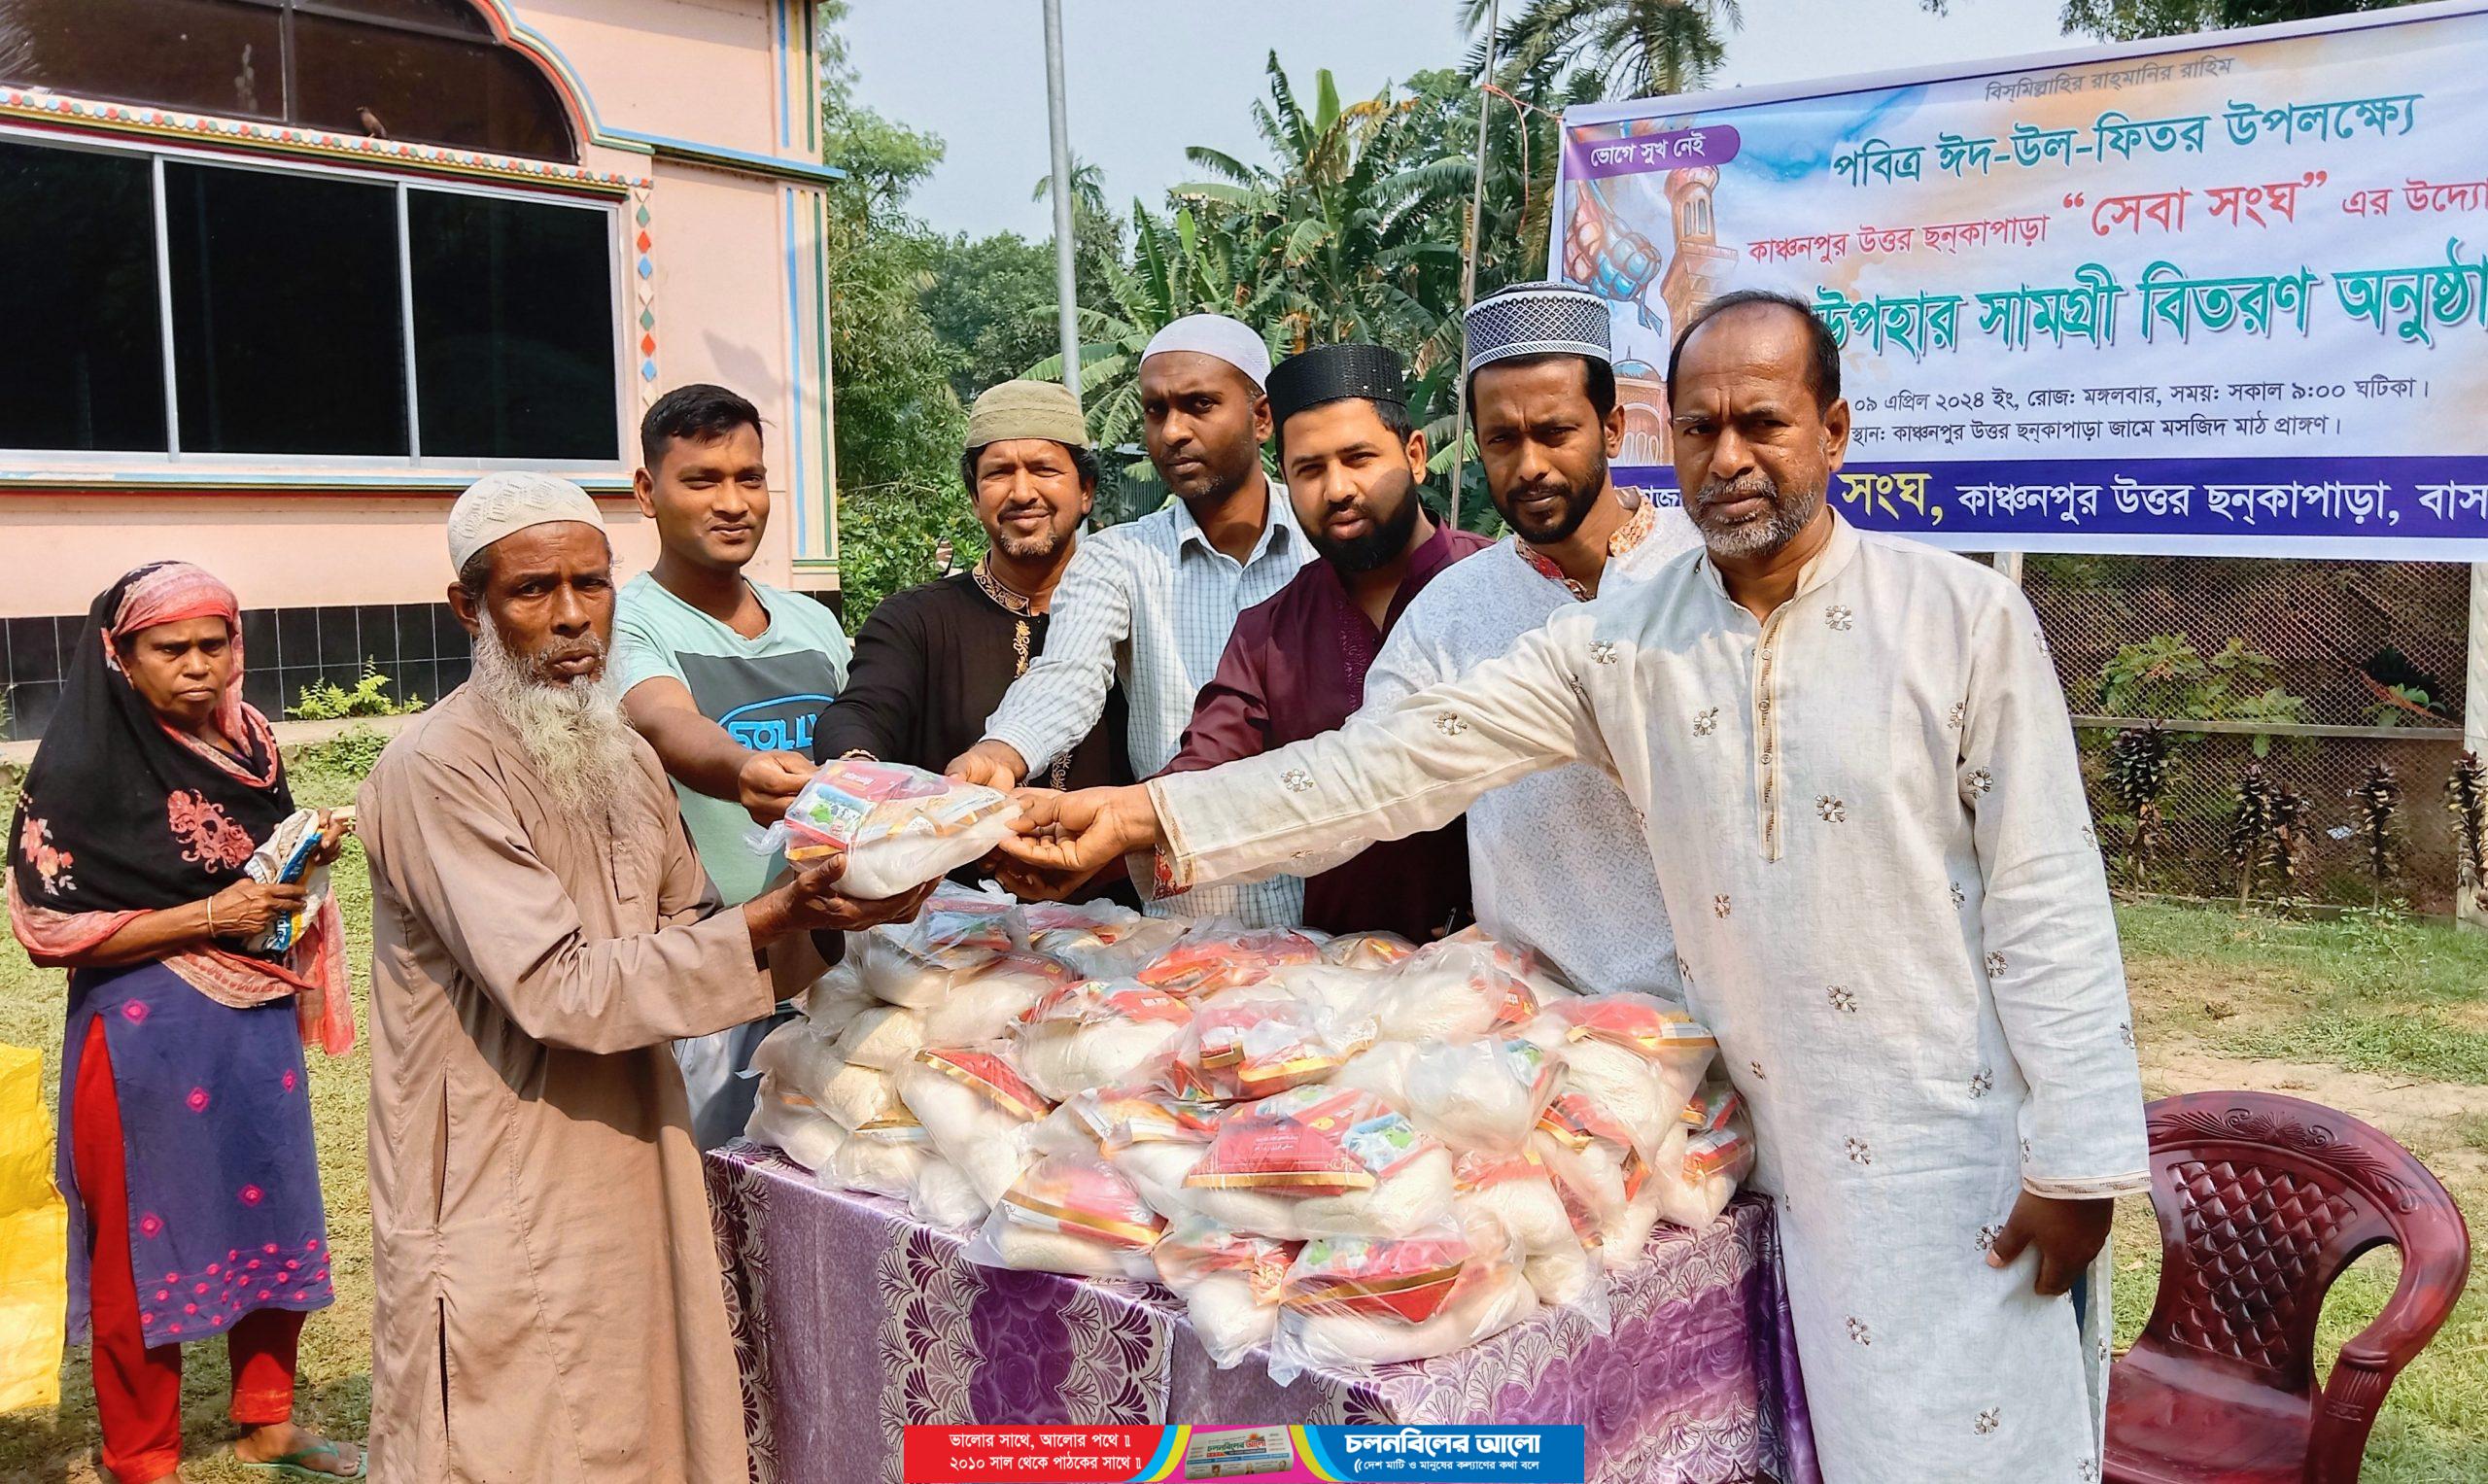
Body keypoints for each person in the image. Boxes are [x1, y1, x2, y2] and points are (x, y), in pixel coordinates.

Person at [1001, 292, 2150, 1481]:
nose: (1728, 458)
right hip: (1755, 1130)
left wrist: (2078, 1160)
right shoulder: (1624, 640)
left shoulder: (1961, 619)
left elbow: (2047, 895)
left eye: (1761, 423)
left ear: (1834, 430)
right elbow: (1387, 767)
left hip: (1950, 1136)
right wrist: (1144, 815)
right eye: (1699, 429)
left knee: (1975, 1445)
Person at [358, 473, 928, 1482]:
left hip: (636, 1134)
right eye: (533, 590)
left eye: (591, 583)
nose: (572, 616)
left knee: (644, 1401)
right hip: (502, 1153)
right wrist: (772, 918)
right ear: (469, 608)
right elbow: (559, 987)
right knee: (518, 1423)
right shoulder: (434, 768)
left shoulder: (619, 752)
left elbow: (696, 935)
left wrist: (834, 904)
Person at [6, 562, 361, 1482]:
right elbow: (47, 927)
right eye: (171, 648)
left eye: (215, 643)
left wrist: (301, 859)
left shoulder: (252, 742)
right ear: (120, 656)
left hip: (254, 1018)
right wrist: (210, 916)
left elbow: (253, 867)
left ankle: (268, 1420)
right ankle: (141, 1454)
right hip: (143, 1032)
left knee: (275, 1202)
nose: (199, 664)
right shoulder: (82, 765)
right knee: (140, 1239)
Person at [1362, 282, 1699, 993]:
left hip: (1713, 1014)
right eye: (1502, 440)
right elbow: (1361, 775)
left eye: (1555, 433)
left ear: (1612, 427)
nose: (1530, 466)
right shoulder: (1449, 609)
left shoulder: (1703, 569)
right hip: (1532, 1015)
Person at [949, 313, 1312, 925]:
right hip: (1189, 923)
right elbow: (1067, 676)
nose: (1173, 432)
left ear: (1261, 417)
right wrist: (1002, 753)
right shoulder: (1119, 557)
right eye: (1155, 410)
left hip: (1339, 907)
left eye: (1200, 405)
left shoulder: (1322, 543)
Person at [1156, 342, 1489, 939]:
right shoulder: (1269, 632)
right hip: (1341, 976)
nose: (1337, 489)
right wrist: (1101, 824)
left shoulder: (1499, 587)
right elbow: (1198, 777)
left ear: (1415, 456)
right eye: (1309, 470)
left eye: (1359, 458)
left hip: (1510, 971)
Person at [612, 384, 854, 1149]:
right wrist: (746, 770)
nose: (732, 502)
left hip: (834, 972)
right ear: (647, 491)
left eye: (749, 478)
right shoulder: (627, 621)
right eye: (702, 480)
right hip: (715, 978)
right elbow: (663, 719)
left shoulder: (812, 622)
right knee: (710, 1188)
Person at [811, 379, 1133, 905]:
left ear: (1086, 490)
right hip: (954, 925)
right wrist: (859, 770)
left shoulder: (1138, 619)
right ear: (974, 495)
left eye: (1045, 470)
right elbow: (861, 710)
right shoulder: (915, 619)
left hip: (1121, 921)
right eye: (999, 473)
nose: (1022, 492)